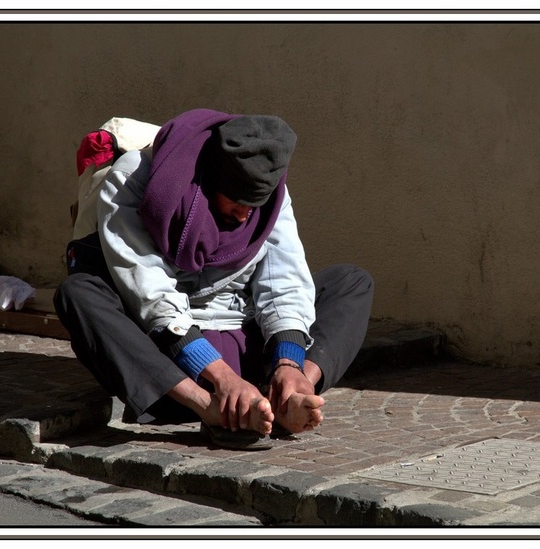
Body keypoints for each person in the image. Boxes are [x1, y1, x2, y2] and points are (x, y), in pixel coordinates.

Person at [54, 108, 373, 450]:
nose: (246, 215)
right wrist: (222, 378)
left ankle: (285, 396)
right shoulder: (132, 180)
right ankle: (211, 409)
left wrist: (288, 362)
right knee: (78, 293)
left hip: (245, 338)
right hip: (172, 363)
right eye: (237, 201)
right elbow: (150, 293)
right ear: (211, 180)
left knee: (350, 282)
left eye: (255, 206)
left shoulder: (270, 195)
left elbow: (284, 280)